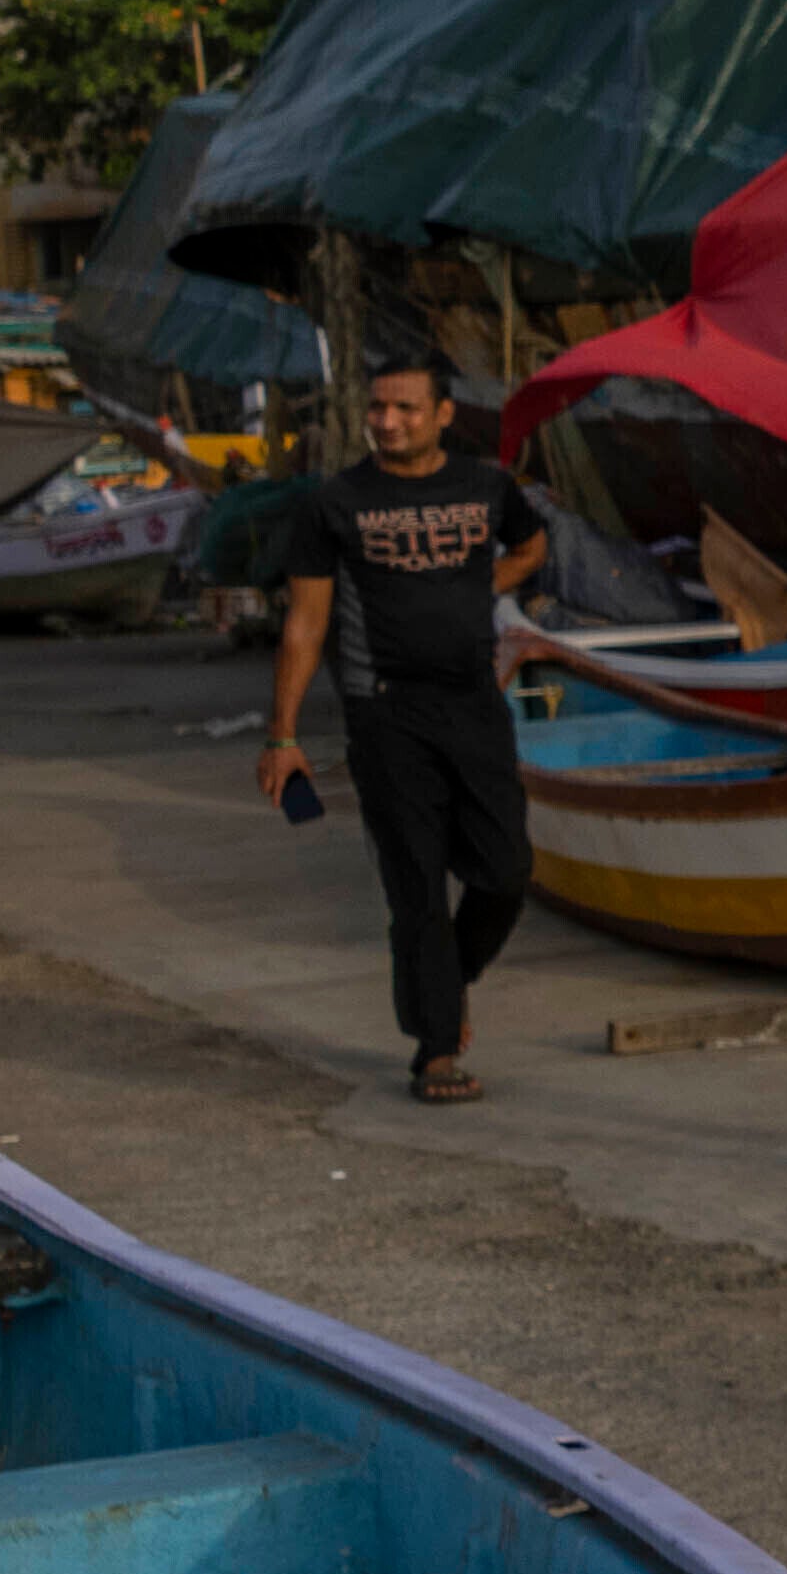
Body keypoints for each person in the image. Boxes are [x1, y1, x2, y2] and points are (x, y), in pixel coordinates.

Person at [252, 352, 553, 1104]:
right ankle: (436, 1049)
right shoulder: (336, 503)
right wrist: (282, 737)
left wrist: (478, 585)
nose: (387, 422)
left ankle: (448, 983)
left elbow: (532, 544)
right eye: (377, 408)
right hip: (384, 712)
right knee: (415, 882)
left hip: (473, 704)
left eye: (406, 409)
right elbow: (305, 623)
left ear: (444, 414)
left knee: (507, 869)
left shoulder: (486, 488)